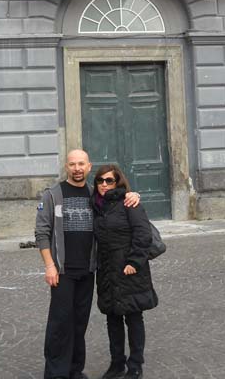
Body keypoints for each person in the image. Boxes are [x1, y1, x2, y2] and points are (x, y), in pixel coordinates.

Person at [35, 150, 140, 379]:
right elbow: (41, 233)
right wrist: (49, 266)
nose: (77, 168)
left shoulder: (96, 195)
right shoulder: (52, 195)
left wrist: (134, 195)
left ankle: (74, 370)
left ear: (89, 166)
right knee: (60, 323)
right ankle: (55, 373)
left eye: (81, 164)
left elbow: (118, 207)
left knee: (79, 322)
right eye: (72, 164)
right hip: (62, 271)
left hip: (88, 270)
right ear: (66, 166)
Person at [92, 164, 158, 379]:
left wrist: (135, 262)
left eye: (109, 180)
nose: (104, 184)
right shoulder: (95, 206)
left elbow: (143, 234)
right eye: (100, 180)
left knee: (133, 317)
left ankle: (136, 365)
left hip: (129, 270)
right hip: (107, 271)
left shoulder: (130, 203)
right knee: (112, 318)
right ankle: (117, 363)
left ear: (118, 182)